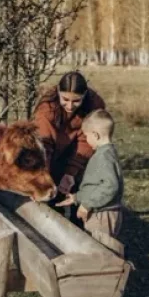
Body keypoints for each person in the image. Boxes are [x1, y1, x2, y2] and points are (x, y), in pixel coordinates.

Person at [33, 71, 106, 225]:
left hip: (81, 154)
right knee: (53, 195)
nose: (70, 106)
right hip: (52, 153)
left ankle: (80, 225)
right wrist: (44, 177)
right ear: (58, 92)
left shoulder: (95, 105)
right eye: (65, 99)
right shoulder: (47, 108)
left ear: (85, 95)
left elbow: (87, 141)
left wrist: (71, 172)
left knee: (80, 187)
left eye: (76, 101)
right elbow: (44, 144)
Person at [56, 109, 124, 255]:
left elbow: (110, 186)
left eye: (86, 136)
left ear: (95, 135)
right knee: (97, 248)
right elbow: (96, 185)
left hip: (101, 214)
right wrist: (76, 198)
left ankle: (109, 275)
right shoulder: (105, 153)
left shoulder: (104, 157)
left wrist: (86, 205)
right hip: (99, 210)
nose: (86, 140)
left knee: (101, 251)